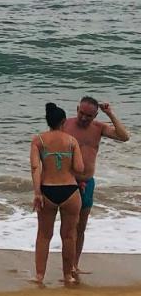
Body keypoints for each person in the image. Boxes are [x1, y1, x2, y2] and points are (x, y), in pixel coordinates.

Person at [62, 95, 130, 271]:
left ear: (95, 116)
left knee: (80, 228)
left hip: (87, 182)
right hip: (67, 182)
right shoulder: (65, 125)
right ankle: (66, 265)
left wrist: (110, 114)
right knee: (67, 229)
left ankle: (74, 265)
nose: (84, 118)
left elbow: (124, 137)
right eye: (82, 113)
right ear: (77, 109)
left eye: (89, 116)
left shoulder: (98, 128)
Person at [31, 102, 85, 285]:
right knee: (69, 236)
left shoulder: (38, 140)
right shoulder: (72, 141)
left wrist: (37, 192)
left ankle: (39, 276)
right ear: (63, 121)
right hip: (70, 191)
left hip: (47, 190)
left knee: (44, 235)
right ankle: (68, 275)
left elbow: (35, 167)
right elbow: (79, 168)